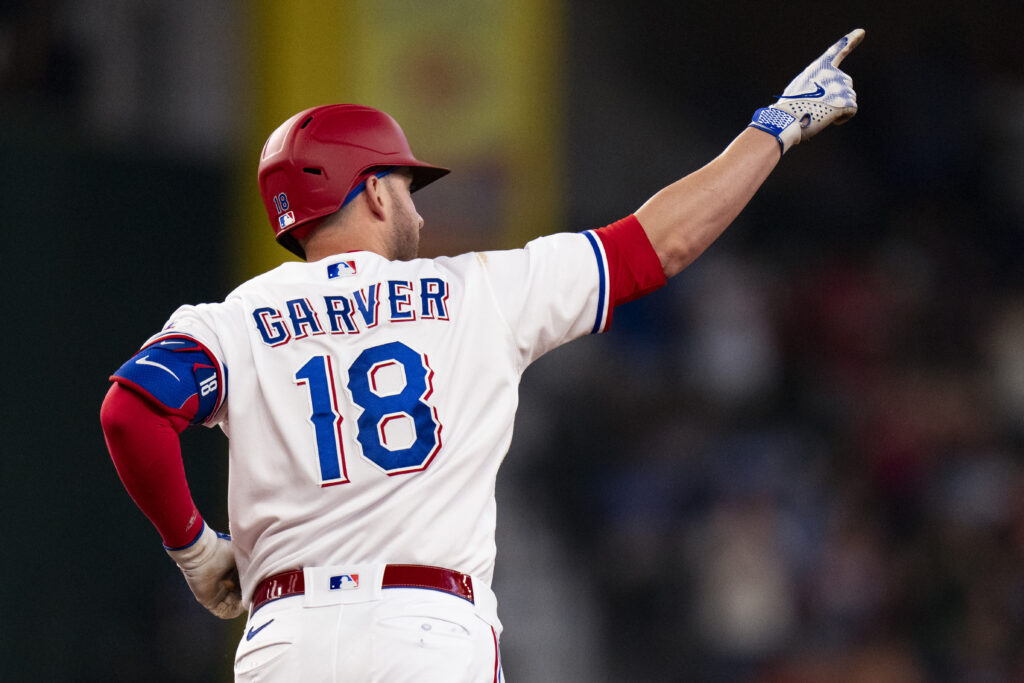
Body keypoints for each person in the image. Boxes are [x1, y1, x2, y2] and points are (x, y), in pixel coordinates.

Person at [100, 28, 864, 682]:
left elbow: (131, 411)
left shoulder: (234, 319)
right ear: (373, 193)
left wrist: (195, 548)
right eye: (407, 186)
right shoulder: (477, 292)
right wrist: (775, 127)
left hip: (285, 638)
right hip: (425, 629)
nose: (416, 207)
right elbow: (661, 242)